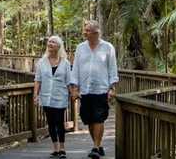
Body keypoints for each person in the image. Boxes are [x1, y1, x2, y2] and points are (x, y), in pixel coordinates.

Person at [69, 20, 118, 159]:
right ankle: (99, 145)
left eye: (88, 30)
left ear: (96, 32)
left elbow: (112, 68)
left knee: (98, 118)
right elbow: (76, 68)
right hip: (85, 89)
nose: (85, 33)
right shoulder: (80, 48)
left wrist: (112, 87)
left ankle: (95, 147)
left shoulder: (108, 47)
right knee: (89, 120)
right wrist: (74, 88)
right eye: (84, 30)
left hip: (101, 88)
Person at [34, 35, 71, 158]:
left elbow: (68, 81)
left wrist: (74, 94)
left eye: (53, 42)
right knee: (50, 123)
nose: (50, 43)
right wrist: (35, 95)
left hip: (60, 96)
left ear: (59, 46)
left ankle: (62, 148)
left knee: (59, 122)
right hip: (46, 97)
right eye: (49, 41)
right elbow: (38, 80)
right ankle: (55, 148)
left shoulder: (65, 63)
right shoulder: (41, 62)